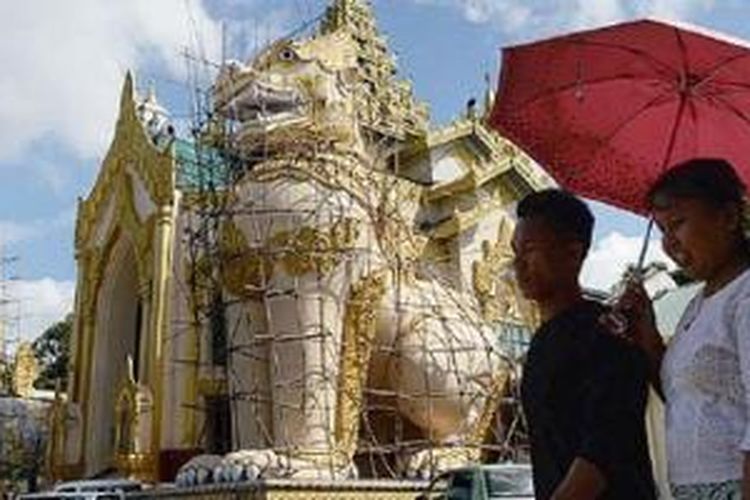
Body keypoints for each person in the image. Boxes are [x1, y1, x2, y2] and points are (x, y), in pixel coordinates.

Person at [616, 158, 750, 499]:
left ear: (729, 218)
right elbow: (682, 398)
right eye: (661, 230)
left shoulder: (744, 296)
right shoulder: (698, 303)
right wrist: (646, 331)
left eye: (677, 223)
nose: (669, 242)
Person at [514, 189, 657, 500]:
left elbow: (604, 449)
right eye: (515, 252)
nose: (519, 264)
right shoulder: (542, 341)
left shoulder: (609, 334)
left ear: (573, 252)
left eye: (530, 250)